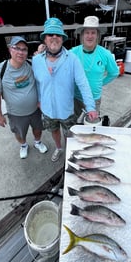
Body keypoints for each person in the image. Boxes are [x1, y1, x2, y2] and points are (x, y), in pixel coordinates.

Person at [32, 17, 98, 162]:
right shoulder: (36, 61)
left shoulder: (72, 59)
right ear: (45, 39)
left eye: (58, 35)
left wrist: (91, 107)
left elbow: (83, 84)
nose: (54, 37)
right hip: (47, 109)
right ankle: (59, 148)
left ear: (62, 38)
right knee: (54, 130)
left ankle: (70, 152)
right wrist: (38, 100)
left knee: (70, 134)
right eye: (50, 34)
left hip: (67, 109)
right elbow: (37, 83)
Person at [0, 36, 48, 159]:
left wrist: (40, 54)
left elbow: (45, 75)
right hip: (16, 113)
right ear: (10, 49)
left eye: (24, 49)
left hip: (35, 109)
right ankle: (23, 145)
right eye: (17, 48)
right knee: (19, 132)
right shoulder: (0, 69)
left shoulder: (31, 64)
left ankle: (37, 142)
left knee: (38, 128)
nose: (21, 52)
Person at [71, 16, 119, 119]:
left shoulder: (105, 54)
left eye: (93, 33)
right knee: (73, 126)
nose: (90, 36)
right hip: (76, 98)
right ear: (82, 35)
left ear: (98, 35)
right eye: (87, 33)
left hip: (94, 99)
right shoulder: (73, 52)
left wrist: (102, 82)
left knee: (91, 128)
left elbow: (114, 72)